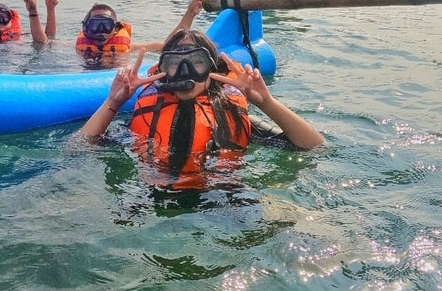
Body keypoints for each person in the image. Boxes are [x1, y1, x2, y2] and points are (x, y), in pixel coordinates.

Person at [77, 29, 324, 188]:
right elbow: (77, 149)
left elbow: (313, 146)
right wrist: (114, 102)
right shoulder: (146, 114)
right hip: (149, 200)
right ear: (163, 70)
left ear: (212, 70)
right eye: (175, 63)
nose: (187, 72)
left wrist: (265, 102)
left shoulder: (230, 114)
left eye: (197, 62)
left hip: (223, 200)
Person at [75, 0, 206, 66]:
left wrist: (190, 14)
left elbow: (168, 46)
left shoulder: (130, 48)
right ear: (86, 27)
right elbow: (52, 42)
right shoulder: (78, 47)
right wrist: (52, 10)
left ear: (115, 29)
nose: (101, 30)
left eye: (106, 25)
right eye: (95, 25)